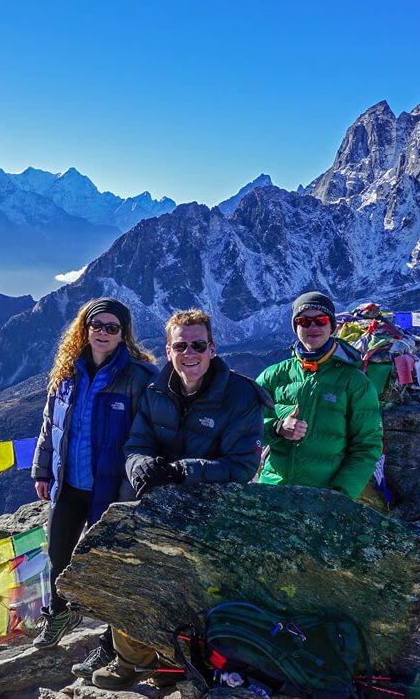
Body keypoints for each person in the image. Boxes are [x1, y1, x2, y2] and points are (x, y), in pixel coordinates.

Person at [84, 308, 267, 689]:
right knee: (130, 572)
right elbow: (136, 443)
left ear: (212, 349)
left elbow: (240, 466)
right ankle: (133, 660)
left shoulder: (241, 396)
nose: (190, 353)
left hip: (212, 510)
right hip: (156, 503)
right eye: (181, 345)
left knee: (198, 588)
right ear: (168, 351)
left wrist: (184, 470)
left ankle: (187, 661)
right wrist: (141, 469)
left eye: (198, 345)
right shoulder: (155, 390)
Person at [31, 297, 156, 650]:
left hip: (113, 489)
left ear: (123, 334)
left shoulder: (140, 377)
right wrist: (42, 471)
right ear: (84, 330)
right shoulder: (67, 372)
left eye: (111, 327)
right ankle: (59, 614)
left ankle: (110, 642)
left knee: (110, 565)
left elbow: (152, 432)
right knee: (59, 554)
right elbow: (49, 426)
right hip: (68, 484)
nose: (103, 333)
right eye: (96, 325)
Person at [256, 292, 383, 499]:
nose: (312, 327)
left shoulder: (355, 382)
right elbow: (244, 427)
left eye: (321, 321)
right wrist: (277, 428)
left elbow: (368, 445)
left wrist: (340, 494)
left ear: (332, 327)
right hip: (273, 489)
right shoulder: (273, 376)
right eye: (304, 321)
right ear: (296, 327)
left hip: (325, 496)